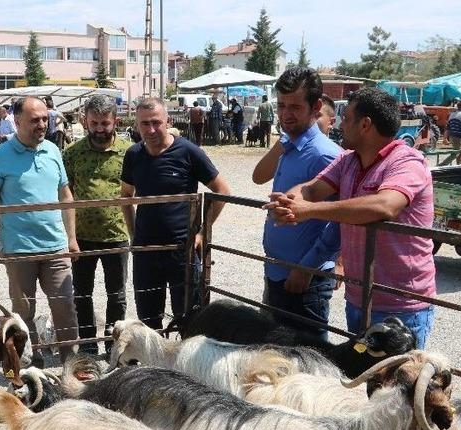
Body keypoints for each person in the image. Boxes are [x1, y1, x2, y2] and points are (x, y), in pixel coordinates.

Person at [264, 87, 436, 348]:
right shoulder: (349, 161)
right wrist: (289, 201)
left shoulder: (407, 162)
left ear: (365, 124)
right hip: (359, 298)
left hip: (400, 305)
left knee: (394, 375)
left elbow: (384, 205)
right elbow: (311, 189)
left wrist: (308, 210)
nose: (340, 125)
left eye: (346, 119)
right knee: (361, 370)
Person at [0, 96, 80, 364]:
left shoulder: (53, 150)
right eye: (35, 120)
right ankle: (30, 364)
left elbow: (65, 196)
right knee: (23, 314)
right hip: (18, 249)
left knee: (65, 309)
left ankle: (72, 365)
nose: (42, 124)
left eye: (45, 118)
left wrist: (71, 238)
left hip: (56, 247)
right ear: (17, 120)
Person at [121, 97, 232, 331]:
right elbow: (126, 197)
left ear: (168, 121)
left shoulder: (188, 151)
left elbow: (222, 190)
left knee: (189, 318)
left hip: (183, 249)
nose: (151, 129)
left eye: (156, 122)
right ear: (137, 125)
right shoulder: (133, 155)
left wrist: (202, 233)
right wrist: (133, 236)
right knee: (149, 320)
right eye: (145, 123)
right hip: (146, 251)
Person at [251, 67, 342, 338]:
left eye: (295, 107)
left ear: (316, 107)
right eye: (281, 105)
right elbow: (258, 176)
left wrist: (307, 267)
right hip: (278, 272)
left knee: (306, 356)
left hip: (304, 281)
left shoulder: (325, 155)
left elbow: (340, 220)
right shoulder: (290, 147)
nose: (285, 114)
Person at [63, 94, 130, 355]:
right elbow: (65, 193)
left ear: (115, 121)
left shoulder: (129, 152)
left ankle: (115, 343)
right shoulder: (72, 153)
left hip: (117, 235)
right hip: (82, 237)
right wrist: (70, 236)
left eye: (105, 123)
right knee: (82, 294)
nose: (100, 129)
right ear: (85, 121)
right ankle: (88, 343)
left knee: (117, 294)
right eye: (94, 123)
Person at [443, 100, 461, 165]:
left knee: (459, 152)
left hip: (452, 136)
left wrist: (445, 138)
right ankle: (442, 165)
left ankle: (459, 165)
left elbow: (448, 128)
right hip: (457, 136)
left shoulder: (452, 114)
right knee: (457, 152)